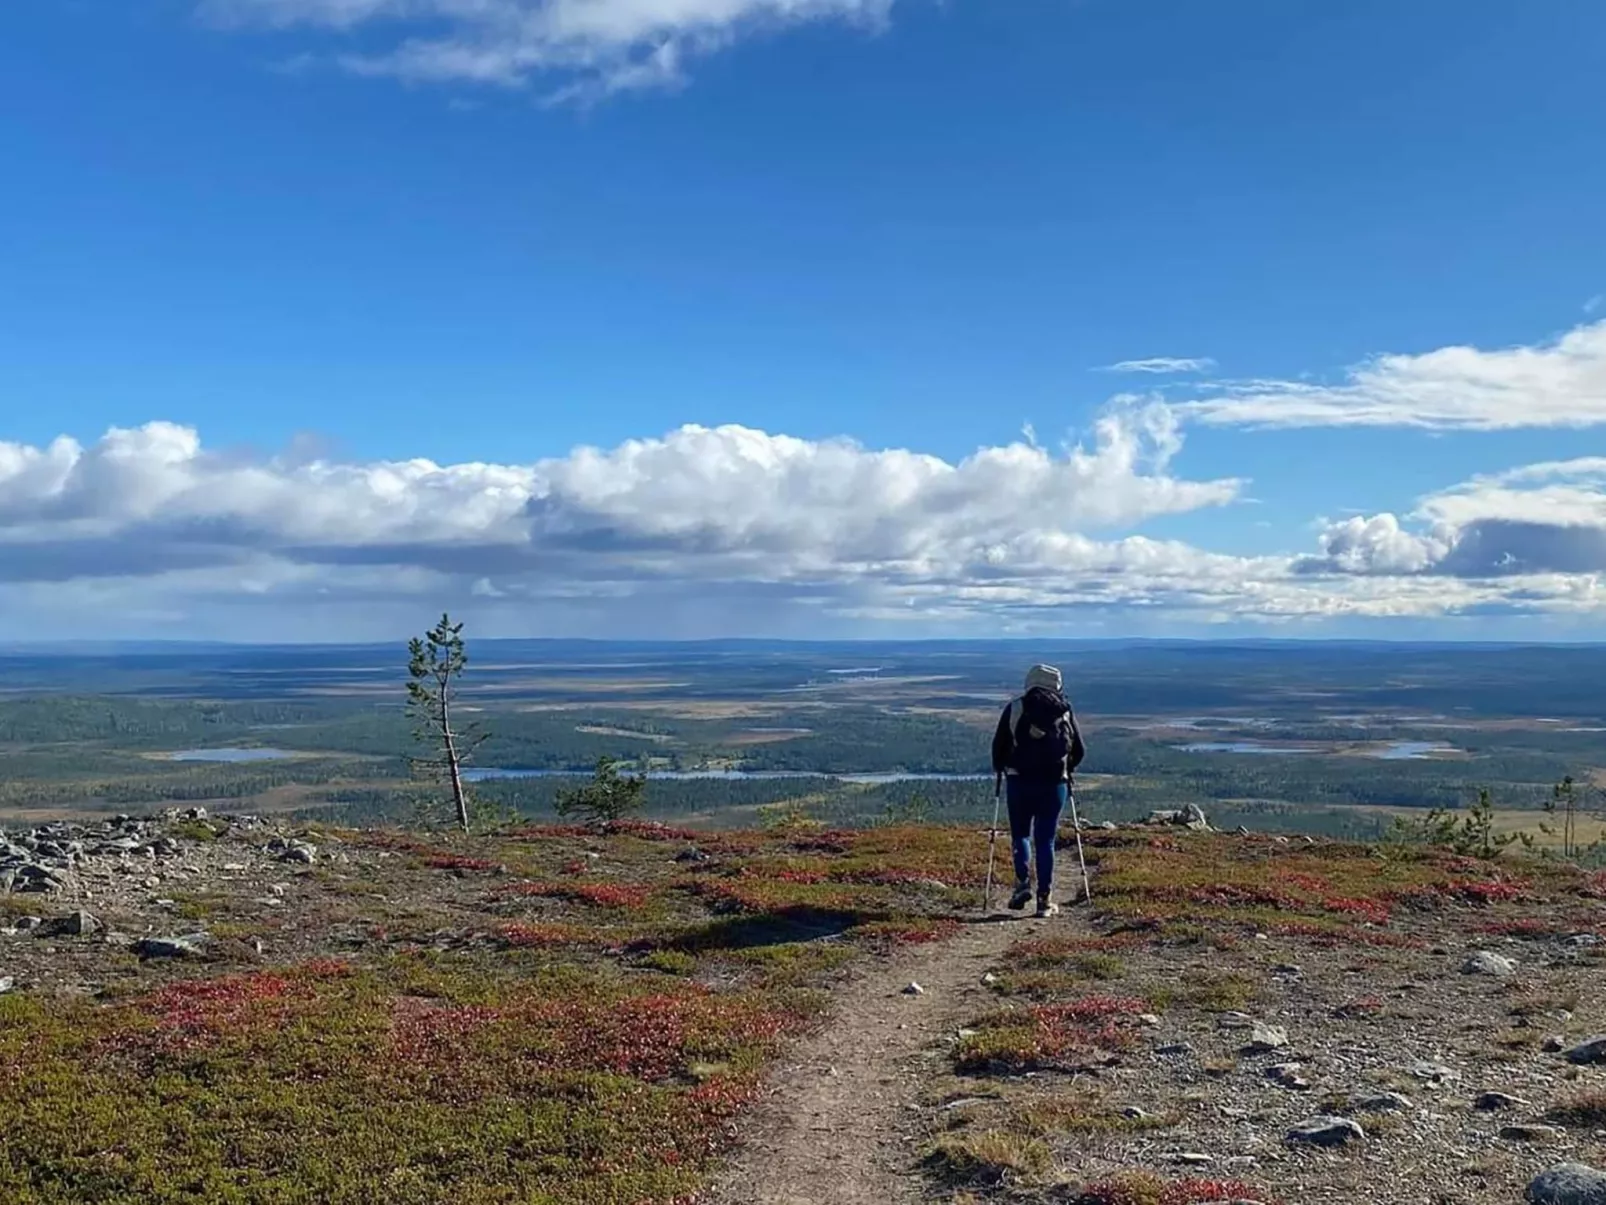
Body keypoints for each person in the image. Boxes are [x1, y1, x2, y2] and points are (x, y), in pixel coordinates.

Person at [990, 663, 1086, 917]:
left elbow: (998, 747)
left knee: (1020, 834)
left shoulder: (1015, 708)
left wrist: (1002, 766)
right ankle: (1044, 901)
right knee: (1046, 839)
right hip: (1055, 784)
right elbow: (1079, 750)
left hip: (1019, 781)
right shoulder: (1064, 711)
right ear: (1057, 683)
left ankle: (1022, 883)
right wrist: (1068, 769)